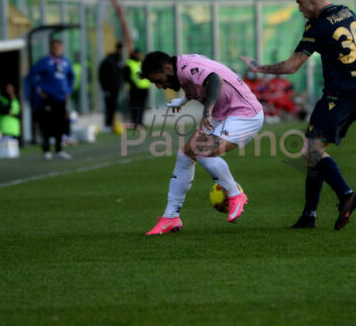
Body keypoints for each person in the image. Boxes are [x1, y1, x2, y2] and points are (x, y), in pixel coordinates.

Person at [241, 0, 356, 231]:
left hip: (339, 95)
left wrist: (259, 68)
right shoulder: (347, 12)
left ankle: (347, 195)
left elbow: (291, 66)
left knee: (310, 150)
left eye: (300, 3)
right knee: (313, 151)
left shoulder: (319, 25)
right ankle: (309, 215)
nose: (300, 9)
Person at [141, 51, 264, 235]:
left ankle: (235, 193)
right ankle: (171, 217)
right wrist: (182, 101)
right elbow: (197, 85)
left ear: (167, 68)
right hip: (222, 113)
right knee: (186, 155)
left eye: (158, 80)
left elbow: (214, 80)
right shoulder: (180, 69)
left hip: (244, 113)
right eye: (155, 83)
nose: (159, 86)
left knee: (203, 151)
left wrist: (207, 112)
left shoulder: (187, 67)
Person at [28, 39, 75, 160]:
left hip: (61, 98)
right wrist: (39, 89)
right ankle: (46, 150)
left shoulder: (65, 62)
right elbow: (32, 75)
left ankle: (59, 149)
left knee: (60, 124)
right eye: (54, 47)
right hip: (48, 98)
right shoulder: (45, 62)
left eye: (59, 47)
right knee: (47, 124)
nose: (57, 49)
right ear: (51, 48)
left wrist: (69, 90)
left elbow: (71, 76)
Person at [99, 42, 124, 133]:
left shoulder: (119, 60)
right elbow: (102, 75)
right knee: (108, 107)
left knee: (113, 107)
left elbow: (120, 75)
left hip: (116, 88)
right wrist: (105, 88)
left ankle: (112, 124)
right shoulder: (109, 61)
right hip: (109, 88)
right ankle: (107, 125)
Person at [124, 49, 150, 127]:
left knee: (142, 107)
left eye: (139, 54)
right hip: (134, 89)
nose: (139, 56)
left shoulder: (142, 63)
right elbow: (126, 76)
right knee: (135, 106)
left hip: (144, 88)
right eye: (137, 54)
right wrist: (133, 84)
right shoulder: (129, 63)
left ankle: (140, 122)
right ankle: (135, 122)